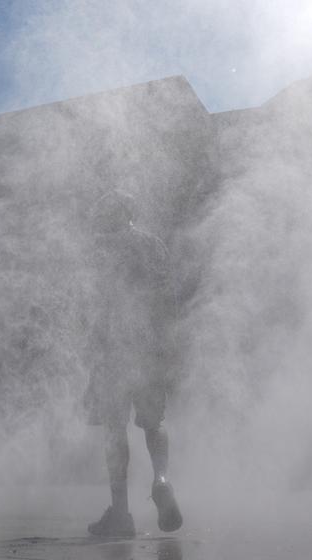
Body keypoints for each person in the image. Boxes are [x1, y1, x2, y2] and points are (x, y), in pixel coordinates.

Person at [82, 190, 183, 538]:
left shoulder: (100, 249)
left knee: (114, 429)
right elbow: (169, 301)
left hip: (113, 352)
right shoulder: (154, 245)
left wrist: (93, 353)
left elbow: (94, 305)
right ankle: (162, 479)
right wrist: (168, 349)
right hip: (149, 348)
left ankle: (121, 514)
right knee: (154, 423)